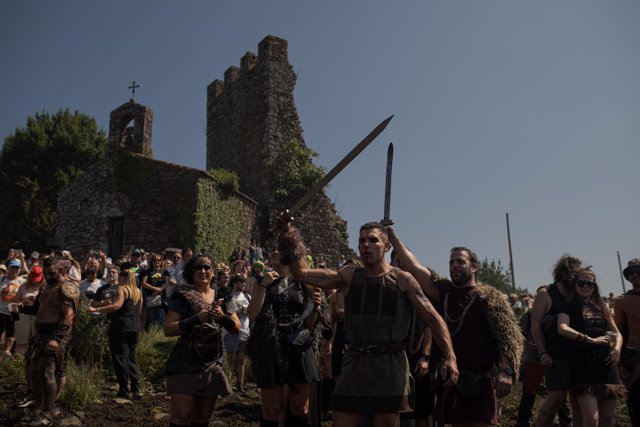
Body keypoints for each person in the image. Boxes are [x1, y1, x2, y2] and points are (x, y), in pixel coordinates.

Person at [277, 217, 458, 427]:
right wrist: (289, 235)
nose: (365, 245)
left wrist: (450, 357)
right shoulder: (350, 276)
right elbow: (301, 273)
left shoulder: (402, 279)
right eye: (362, 241)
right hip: (354, 363)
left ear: (387, 246)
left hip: (390, 366)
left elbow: (433, 319)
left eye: (373, 240)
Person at [388, 227, 523, 427]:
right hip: (451, 383)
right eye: (451, 262)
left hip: (480, 384)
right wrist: (392, 237)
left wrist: (506, 371)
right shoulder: (443, 293)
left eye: (460, 261)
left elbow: (504, 337)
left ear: (474, 267)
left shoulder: (490, 299)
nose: (454, 266)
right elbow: (414, 267)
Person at [247, 241, 325, 427]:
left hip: (300, 347)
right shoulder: (263, 281)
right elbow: (252, 315)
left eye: (278, 251)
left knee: (300, 409)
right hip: (271, 348)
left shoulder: (305, 284)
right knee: (271, 411)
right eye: (273, 251)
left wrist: (315, 309)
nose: (274, 253)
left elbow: (310, 325)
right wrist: (264, 286)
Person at [163, 253, 241, 427]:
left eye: (207, 267)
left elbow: (236, 329)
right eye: (198, 267)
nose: (203, 271)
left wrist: (222, 317)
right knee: (181, 417)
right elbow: (168, 329)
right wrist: (195, 319)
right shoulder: (182, 295)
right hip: (185, 361)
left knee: (202, 419)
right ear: (191, 271)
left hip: (211, 363)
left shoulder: (223, 296)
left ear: (213, 272)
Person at [12, 256, 79, 425]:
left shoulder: (66, 288)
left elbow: (69, 315)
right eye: (46, 273)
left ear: (62, 270)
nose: (48, 276)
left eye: (52, 273)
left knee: (47, 373)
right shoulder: (45, 287)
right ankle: (37, 409)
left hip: (55, 334)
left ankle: (47, 414)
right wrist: (24, 306)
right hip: (39, 334)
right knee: (34, 373)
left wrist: (56, 338)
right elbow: (38, 310)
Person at [557, 267, 625, 426]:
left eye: (590, 284)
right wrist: (589, 340)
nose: (586, 286)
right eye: (582, 283)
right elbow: (562, 328)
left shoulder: (602, 307)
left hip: (607, 365)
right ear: (574, 284)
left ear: (595, 287)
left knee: (607, 419)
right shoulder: (567, 306)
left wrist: (617, 350)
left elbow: (618, 334)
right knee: (591, 419)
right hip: (582, 364)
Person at [531, 255, 582, 427]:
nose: (577, 277)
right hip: (555, 354)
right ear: (563, 273)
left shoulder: (577, 293)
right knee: (556, 397)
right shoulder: (546, 293)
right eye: (574, 273)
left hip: (577, 353)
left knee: (578, 398)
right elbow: (535, 325)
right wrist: (542, 351)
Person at [89, 269, 143, 399]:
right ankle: (136, 389)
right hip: (134, 327)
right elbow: (139, 310)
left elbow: (116, 306)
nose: (117, 279)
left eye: (119, 276)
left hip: (120, 327)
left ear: (123, 278)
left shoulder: (122, 289)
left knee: (120, 358)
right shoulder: (138, 292)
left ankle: (124, 390)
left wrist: (96, 309)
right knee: (131, 357)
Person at [614, 258, 640, 426]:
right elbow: (617, 333)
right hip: (634, 356)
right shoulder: (622, 301)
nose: (635, 275)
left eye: (639, 271)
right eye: (631, 273)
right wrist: (619, 363)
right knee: (636, 402)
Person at [224, 274, 251, 393]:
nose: (244, 284)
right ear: (235, 283)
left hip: (245, 332)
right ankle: (228, 385)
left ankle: (240, 385)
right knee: (232, 359)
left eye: (244, 282)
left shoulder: (247, 296)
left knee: (241, 360)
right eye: (241, 282)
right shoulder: (229, 296)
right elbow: (228, 313)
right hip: (232, 332)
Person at [0, 258, 26, 358]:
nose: (15, 270)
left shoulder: (22, 281)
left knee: (11, 333)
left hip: (14, 312)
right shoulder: (1, 279)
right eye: (13, 267)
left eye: (17, 268)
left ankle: (6, 352)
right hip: (1, 310)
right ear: (8, 268)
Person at [140, 253, 166, 330]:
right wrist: (155, 288)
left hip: (161, 298)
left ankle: (160, 337)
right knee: (151, 320)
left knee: (161, 320)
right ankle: (151, 337)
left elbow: (167, 282)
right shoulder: (147, 271)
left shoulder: (164, 271)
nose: (157, 262)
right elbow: (144, 283)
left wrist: (160, 290)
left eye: (159, 260)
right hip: (150, 298)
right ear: (152, 262)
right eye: (155, 260)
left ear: (161, 262)